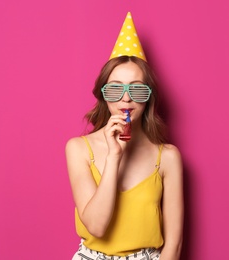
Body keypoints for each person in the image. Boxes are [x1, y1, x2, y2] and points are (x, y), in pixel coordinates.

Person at [65, 12, 183, 260]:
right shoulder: (78, 148)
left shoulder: (168, 157)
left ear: (148, 95)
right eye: (116, 88)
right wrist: (113, 157)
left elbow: (174, 244)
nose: (126, 98)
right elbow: (96, 226)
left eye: (137, 89)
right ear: (103, 94)